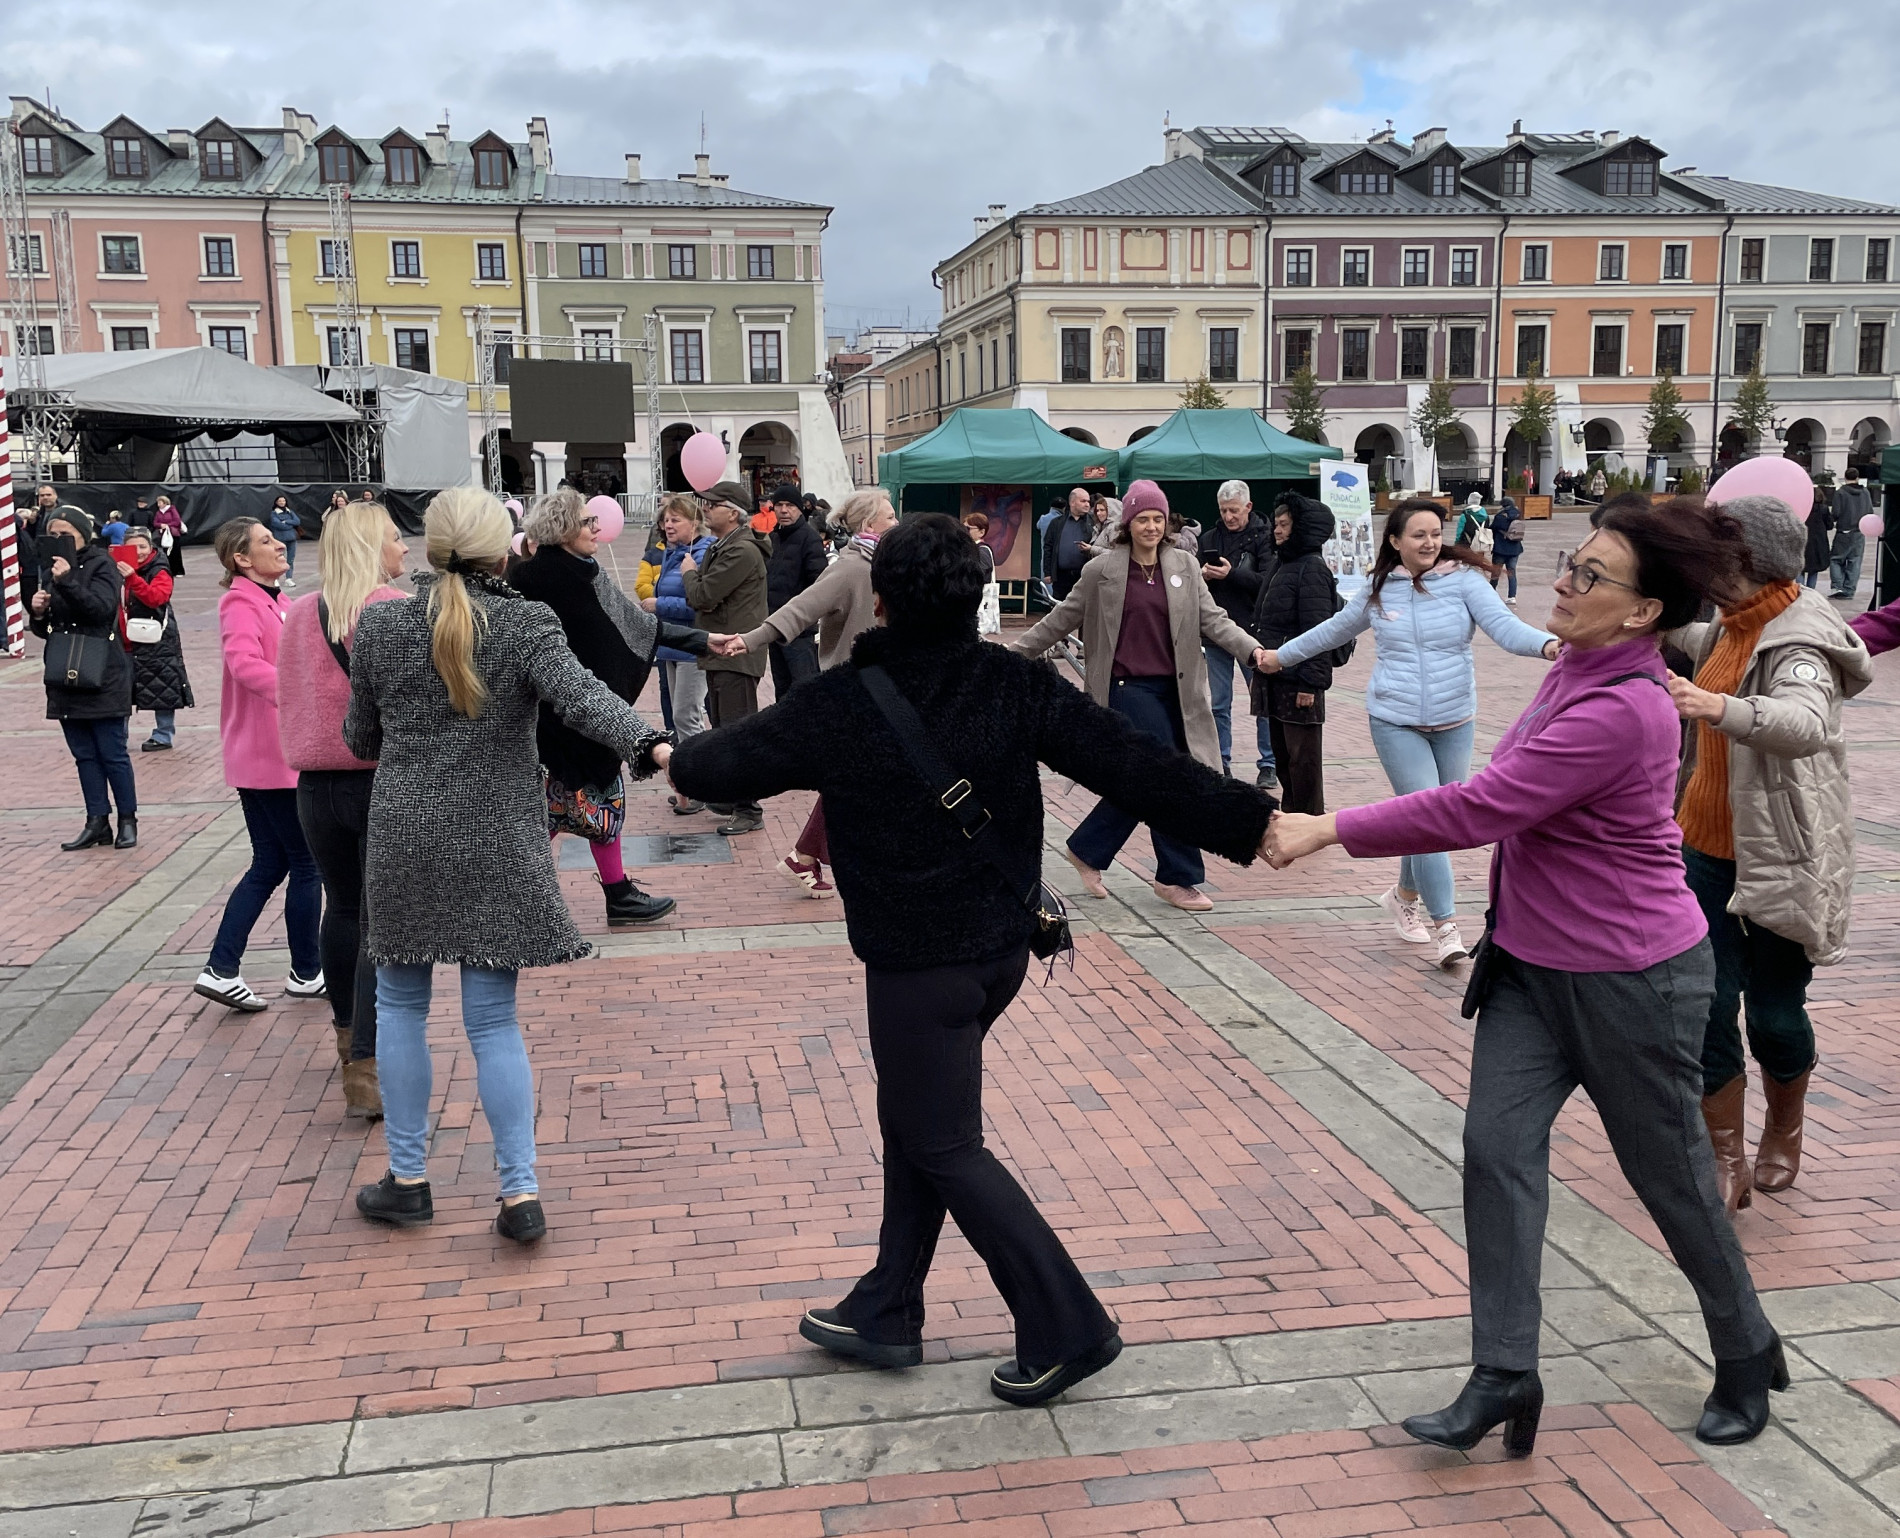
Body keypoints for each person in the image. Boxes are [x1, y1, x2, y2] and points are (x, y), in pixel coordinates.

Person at [669, 513, 1275, 1406]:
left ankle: (1068, 1325)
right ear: (975, 595)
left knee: (942, 1141)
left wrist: (671, 753)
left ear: (881, 600)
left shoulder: (843, 701)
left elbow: (718, 768)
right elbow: (1135, 763)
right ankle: (886, 1305)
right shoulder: (1011, 681)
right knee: (917, 1119)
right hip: (1000, 947)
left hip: (920, 964)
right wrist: (1251, 822)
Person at [1265, 497, 1788, 1453]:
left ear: (1643, 612)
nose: (1563, 581)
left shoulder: (1626, 708)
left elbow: (1483, 806)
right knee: (1495, 1152)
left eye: (1590, 574)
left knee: (1669, 1178)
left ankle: (1746, 1344)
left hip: (1633, 978)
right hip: (1531, 968)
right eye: (1571, 563)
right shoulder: (1578, 669)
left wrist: (1327, 827)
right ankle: (1505, 1371)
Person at [343, 487, 672, 1242]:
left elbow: (361, 739)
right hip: (498, 833)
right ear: (503, 550)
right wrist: (652, 744)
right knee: (493, 1021)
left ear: (431, 548)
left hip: (406, 834)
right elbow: (583, 698)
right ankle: (519, 1194)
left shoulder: (383, 624)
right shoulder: (526, 622)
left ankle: (408, 1179)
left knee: (400, 1006)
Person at [1668, 494, 1871, 1211]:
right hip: (1702, 850)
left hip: (1781, 854)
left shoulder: (1801, 642)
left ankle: (1785, 1126)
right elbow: (1696, 639)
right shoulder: (1729, 625)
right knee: (1706, 1003)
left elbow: (1804, 721)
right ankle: (1725, 1153)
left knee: (1775, 1015)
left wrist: (1718, 708)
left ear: (1746, 562)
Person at [1259, 500, 1559, 967]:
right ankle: (1447, 927)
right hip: (1395, 721)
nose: (1430, 542)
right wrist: (1280, 657)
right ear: (1396, 541)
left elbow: (1505, 628)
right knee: (1433, 819)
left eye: (1436, 533)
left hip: (1455, 720)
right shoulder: (1380, 588)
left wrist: (1547, 645)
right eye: (1418, 535)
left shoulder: (1464, 581)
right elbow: (1332, 631)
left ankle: (1402, 896)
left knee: (1434, 821)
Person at [1011, 480, 1271, 912]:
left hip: (1178, 690)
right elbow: (1059, 621)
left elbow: (1214, 620)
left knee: (1145, 781)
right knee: (1169, 776)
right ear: (1128, 523)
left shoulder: (1184, 566)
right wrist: (1008, 656)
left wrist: (1253, 650)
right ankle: (1176, 877)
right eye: (1143, 519)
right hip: (1128, 689)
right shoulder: (1103, 570)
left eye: (1158, 519)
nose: (1151, 527)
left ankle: (1088, 849)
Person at [512, 487, 707, 926]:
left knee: (596, 806)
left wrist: (703, 641)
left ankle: (617, 894)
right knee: (544, 814)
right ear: (564, 528)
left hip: (594, 713)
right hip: (551, 719)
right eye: (587, 521)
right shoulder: (529, 580)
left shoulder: (588, 571)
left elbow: (637, 624)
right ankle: (522, 898)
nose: (596, 527)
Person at [278, 500, 407, 1120]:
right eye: (393, 537)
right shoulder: (392, 610)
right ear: (368, 547)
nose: (404, 547)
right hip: (377, 778)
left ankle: (349, 1051)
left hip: (314, 785)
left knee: (344, 909)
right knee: (381, 922)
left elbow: (289, 694)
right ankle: (370, 1063)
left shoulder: (299, 612)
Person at [719, 487, 897, 897]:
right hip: (856, 692)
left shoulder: (883, 565)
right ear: (868, 524)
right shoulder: (852, 567)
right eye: (889, 517)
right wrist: (751, 639)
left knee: (860, 778)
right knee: (861, 778)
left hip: (879, 688)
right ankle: (810, 856)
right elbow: (801, 608)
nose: (896, 523)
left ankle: (808, 856)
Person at [193, 517, 324, 1013]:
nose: (280, 545)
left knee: (271, 864)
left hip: (273, 756)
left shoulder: (279, 601)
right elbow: (244, 663)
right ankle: (306, 972)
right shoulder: (240, 602)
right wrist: (298, 695)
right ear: (241, 558)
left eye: (276, 537)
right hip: (269, 757)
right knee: (305, 864)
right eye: (266, 541)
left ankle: (222, 967)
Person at [29, 507, 139, 851]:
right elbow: (51, 628)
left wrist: (67, 582)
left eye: (65, 534)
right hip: (65, 672)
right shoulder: (52, 569)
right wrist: (39, 613)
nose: (58, 540)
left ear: (82, 534)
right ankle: (96, 821)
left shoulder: (101, 564)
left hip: (102, 671)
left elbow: (100, 611)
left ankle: (127, 820)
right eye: (53, 534)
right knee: (84, 755)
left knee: (112, 753)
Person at [682, 481, 772, 836]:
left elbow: (703, 595)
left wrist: (689, 573)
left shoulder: (741, 551)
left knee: (738, 732)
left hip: (736, 652)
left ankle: (749, 808)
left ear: (733, 513)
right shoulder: (723, 546)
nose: (705, 509)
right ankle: (731, 796)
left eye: (713, 504)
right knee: (723, 729)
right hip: (722, 650)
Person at [1247, 495, 1337, 815]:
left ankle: (1310, 822)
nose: (1277, 530)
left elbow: (1320, 631)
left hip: (1299, 683)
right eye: (1276, 524)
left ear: (1302, 528)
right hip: (1275, 677)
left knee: (1303, 763)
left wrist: (1310, 684)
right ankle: (1292, 816)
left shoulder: (1312, 569)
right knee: (1285, 759)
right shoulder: (1282, 563)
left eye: (1285, 525)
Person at [1199, 479, 1277, 788]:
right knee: (1219, 703)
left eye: (1234, 510)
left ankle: (1268, 764)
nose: (1228, 516)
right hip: (1216, 633)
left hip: (1253, 633)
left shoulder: (1265, 539)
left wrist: (1232, 575)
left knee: (1262, 702)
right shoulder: (1209, 538)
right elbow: (1195, 587)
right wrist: (1202, 576)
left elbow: (1268, 582)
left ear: (1248, 506)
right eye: (1223, 510)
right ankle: (1222, 762)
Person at [648, 495, 715, 769]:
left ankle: (699, 774)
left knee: (688, 716)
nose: (668, 525)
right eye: (666, 520)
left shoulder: (702, 553)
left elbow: (698, 602)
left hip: (692, 646)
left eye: (675, 520)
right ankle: (690, 773)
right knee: (678, 716)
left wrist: (659, 604)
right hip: (671, 644)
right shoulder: (671, 551)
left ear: (694, 523)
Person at [116, 525, 194, 754]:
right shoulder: (114, 569)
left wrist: (133, 578)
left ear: (151, 546)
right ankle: (118, 736)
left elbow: (156, 598)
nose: (138, 552)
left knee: (162, 685)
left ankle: (163, 734)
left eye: (143, 546)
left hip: (156, 638)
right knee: (119, 690)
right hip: (122, 639)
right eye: (132, 548)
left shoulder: (159, 569)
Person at [763, 482, 827, 696]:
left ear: (800, 508)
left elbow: (819, 584)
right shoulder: (773, 538)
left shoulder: (810, 539)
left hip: (799, 631)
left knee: (805, 691)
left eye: (790, 505)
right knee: (782, 690)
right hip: (774, 626)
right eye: (779, 505)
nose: (784, 510)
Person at [1042, 487, 1094, 601]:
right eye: (1083, 501)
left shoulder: (1093, 523)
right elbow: (1048, 547)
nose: (1087, 504)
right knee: (1060, 607)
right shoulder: (1056, 523)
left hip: (1084, 576)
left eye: (1088, 501)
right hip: (1061, 577)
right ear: (1072, 502)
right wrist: (1047, 572)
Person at [1829, 468, 1871, 598]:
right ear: (1857, 478)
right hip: (1859, 531)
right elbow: (1870, 511)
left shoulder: (1840, 493)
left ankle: (1838, 587)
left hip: (1844, 530)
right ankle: (1849, 590)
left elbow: (1836, 512)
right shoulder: (1865, 492)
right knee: (1855, 561)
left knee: (1836, 559)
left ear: (1845, 477)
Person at [1490, 495, 1526, 604]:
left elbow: (1492, 528)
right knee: (1512, 572)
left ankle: (1491, 593)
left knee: (1496, 572)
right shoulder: (1518, 514)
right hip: (1515, 548)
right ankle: (1512, 596)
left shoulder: (1500, 516)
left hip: (1500, 548)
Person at [1801, 484, 1833, 591]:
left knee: (1801, 568)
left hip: (1803, 541)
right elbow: (1830, 525)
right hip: (1818, 543)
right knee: (1814, 570)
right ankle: (1810, 591)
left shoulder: (1801, 508)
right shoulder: (1823, 509)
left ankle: (1800, 591)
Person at [268, 495, 303, 589]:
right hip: (280, 539)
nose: (282, 502)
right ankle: (276, 578)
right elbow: (278, 524)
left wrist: (286, 521)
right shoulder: (274, 513)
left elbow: (297, 521)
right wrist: (290, 524)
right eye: (280, 501)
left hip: (292, 539)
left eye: (283, 501)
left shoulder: (290, 512)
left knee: (290, 560)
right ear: (276, 502)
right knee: (278, 559)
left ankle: (289, 579)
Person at [153, 493, 187, 577]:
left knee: (176, 552)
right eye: (158, 503)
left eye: (160, 503)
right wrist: (161, 525)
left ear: (165, 503)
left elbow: (177, 521)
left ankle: (179, 571)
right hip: (164, 536)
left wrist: (167, 525)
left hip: (174, 535)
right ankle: (169, 571)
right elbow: (155, 523)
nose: (158, 504)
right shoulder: (158, 513)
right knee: (166, 553)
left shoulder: (172, 510)